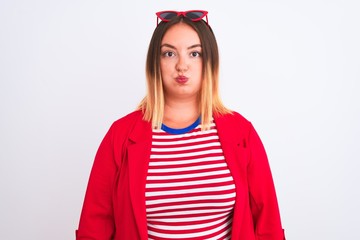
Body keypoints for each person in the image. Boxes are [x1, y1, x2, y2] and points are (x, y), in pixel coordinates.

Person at [76, 10, 285, 240]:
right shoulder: (120, 135)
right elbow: (94, 227)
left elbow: (268, 224)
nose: (182, 66)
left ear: (211, 62)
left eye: (195, 53)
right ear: (154, 63)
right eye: (169, 54)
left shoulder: (241, 131)